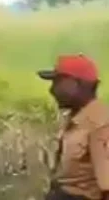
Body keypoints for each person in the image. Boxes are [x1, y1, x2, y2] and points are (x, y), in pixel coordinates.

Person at [38, 54, 109, 200]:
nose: (52, 90)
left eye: (57, 83)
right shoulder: (77, 117)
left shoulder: (100, 125)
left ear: (76, 84)